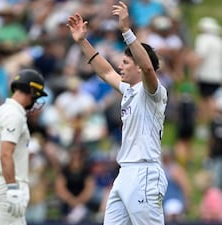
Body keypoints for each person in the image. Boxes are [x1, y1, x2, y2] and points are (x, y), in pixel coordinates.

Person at [67, 1, 168, 225]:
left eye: (125, 62)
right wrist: (83, 42)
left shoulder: (153, 92)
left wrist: (126, 30)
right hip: (125, 174)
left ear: (139, 67)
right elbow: (105, 71)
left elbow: (150, 69)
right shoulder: (129, 91)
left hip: (145, 173)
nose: (120, 67)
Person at [0, 68, 48, 225]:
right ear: (32, 90)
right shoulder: (14, 115)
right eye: (37, 95)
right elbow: (5, 154)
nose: (36, 100)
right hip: (8, 185)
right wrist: (12, 188)